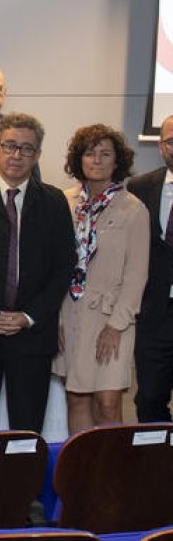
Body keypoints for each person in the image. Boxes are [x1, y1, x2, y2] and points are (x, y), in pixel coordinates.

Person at [0, 113, 74, 432]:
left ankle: (24, 484)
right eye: (9, 145)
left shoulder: (53, 202)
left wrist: (28, 316)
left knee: (27, 429)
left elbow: (64, 266)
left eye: (26, 148)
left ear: (37, 155)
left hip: (32, 335)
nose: (16, 155)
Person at [54, 124, 148, 433]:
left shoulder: (133, 209)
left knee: (108, 402)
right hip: (69, 314)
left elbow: (137, 274)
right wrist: (53, 320)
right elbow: (52, 266)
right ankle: (82, 477)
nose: (97, 159)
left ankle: (113, 477)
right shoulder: (62, 203)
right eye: (90, 153)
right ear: (78, 159)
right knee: (77, 399)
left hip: (112, 319)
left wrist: (117, 325)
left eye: (105, 153)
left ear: (117, 161)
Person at [128, 114, 173, 422]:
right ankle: (158, 466)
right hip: (155, 315)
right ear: (160, 146)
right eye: (171, 141)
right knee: (149, 399)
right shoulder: (141, 187)